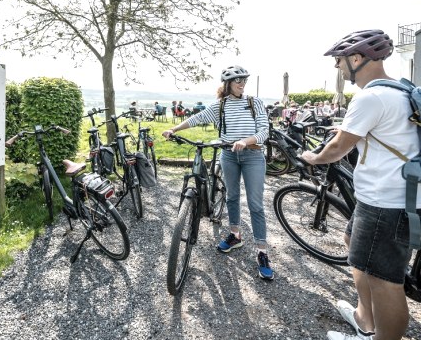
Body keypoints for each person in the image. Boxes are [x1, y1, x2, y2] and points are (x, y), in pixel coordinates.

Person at [301, 29, 420, 340]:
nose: (338, 68)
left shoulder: (370, 96)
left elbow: (338, 148)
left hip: (386, 203)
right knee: (351, 240)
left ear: (356, 59)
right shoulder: (400, 91)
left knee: (385, 279)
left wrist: (313, 158)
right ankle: (364, 316)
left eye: (339, 62)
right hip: (388, 197)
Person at [162, 65, 274, 280]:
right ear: (227, 84)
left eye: (244, 80)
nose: (242, 84)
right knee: (231, 197)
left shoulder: (254, 102)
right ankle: (235, 235)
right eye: (237, 81)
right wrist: (174, 130)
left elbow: (264, 131)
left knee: (255, 204)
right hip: (228, 155)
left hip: (252, 155)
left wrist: (245, 141)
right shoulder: (220, 106)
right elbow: (197, 118)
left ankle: (262, 252)